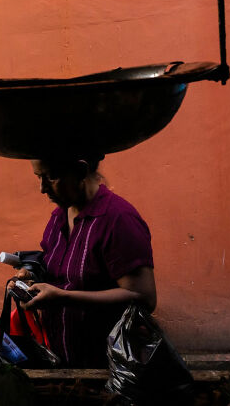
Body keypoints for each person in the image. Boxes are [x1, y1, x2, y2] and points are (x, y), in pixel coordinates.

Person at [13, 156, 156, 368]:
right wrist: (31, 278)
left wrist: (64, 297)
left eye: (51, 177)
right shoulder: (58, 218)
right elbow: (60, 272)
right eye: (39, 177)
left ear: (80, 171)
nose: (42, 188)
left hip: (106, 369)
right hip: (63, 362)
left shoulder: (118, 219)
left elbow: (144, 298)